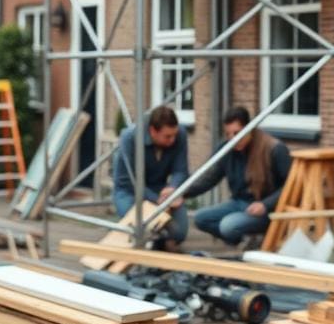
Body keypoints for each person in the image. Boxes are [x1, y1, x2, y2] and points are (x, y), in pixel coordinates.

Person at [189, 106, 292, 245]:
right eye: (228, 134)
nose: (232, 139)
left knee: (227, 225)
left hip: (265, 208)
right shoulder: (227, 149)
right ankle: (243, 239)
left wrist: (265, 205)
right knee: (200, 218)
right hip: (238, 202)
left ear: (249, 129)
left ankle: (254, 236)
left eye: (237, 133)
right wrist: (181, 194)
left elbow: (291, 186)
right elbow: (209, 178)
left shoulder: (274, 149)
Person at [112, 105, 189, 251]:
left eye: (174, 135)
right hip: (129, 191)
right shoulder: (130, 138)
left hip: (160, 188)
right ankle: (150, 239)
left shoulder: (180, 134)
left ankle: (160, 239)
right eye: (167, 136)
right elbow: (129, 182)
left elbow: (181, 170)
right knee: (140, 228)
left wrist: (173, 188)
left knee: (179, 233)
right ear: (153, 131)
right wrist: (158, 200)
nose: (173, 140)